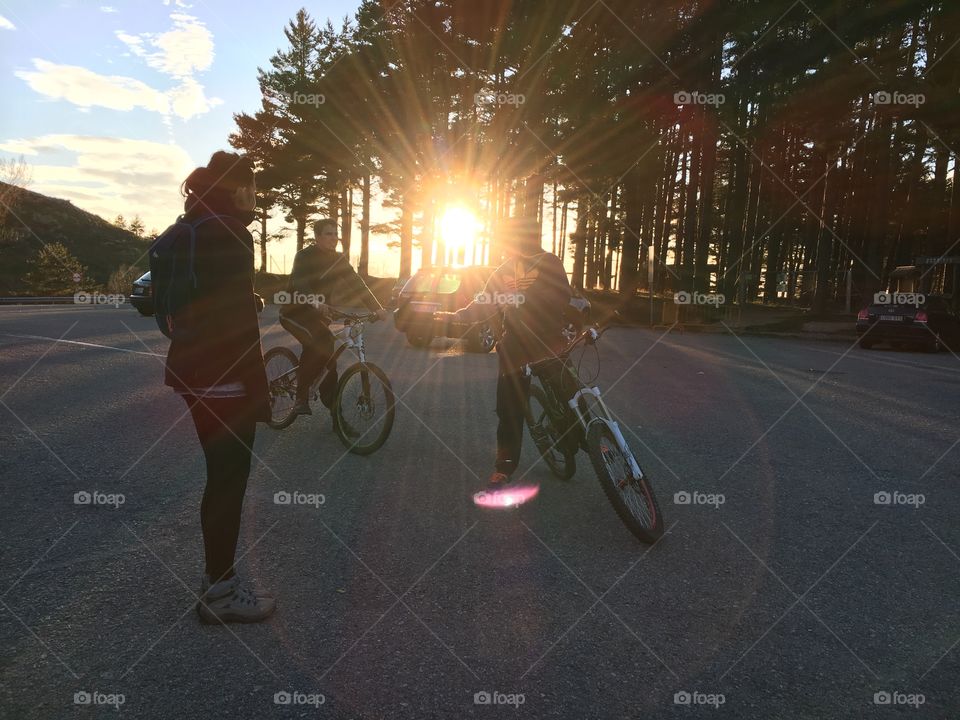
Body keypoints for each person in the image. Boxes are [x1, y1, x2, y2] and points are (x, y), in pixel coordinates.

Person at [162, 150, 276, 624]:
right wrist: (259, 391)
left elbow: (196, 302)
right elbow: (240, 330)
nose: (255, 195)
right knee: (230, 480)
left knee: (219, 477)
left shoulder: (190, 225)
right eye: (251, 186)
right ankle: (221, 592)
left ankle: (216, 580)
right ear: (236, 187)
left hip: (190, 370)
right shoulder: (231, 233)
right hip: (224, 378)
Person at [435, 216, 572, 492]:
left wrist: (518, 299)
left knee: (570, 397)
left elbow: (561, 296)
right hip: (515, 348)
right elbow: (484, 304)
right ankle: (504, 468)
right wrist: (453, 317)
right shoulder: (503, 270)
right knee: (509, 410)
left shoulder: (549, 262)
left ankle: (585, 440)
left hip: (550, 342)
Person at [279, 219, 387, 417]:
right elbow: (300, 282)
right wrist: (315, 302)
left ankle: (336, 415)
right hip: (294, 313)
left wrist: (377, 308)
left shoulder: (338, 260)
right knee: (318, 342)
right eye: (329, 234)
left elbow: (357, 284)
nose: (334, 238)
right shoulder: (304, 256)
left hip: (318, 316)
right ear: (317, 237)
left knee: (330, 361)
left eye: (336, 234)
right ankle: (301, 398)